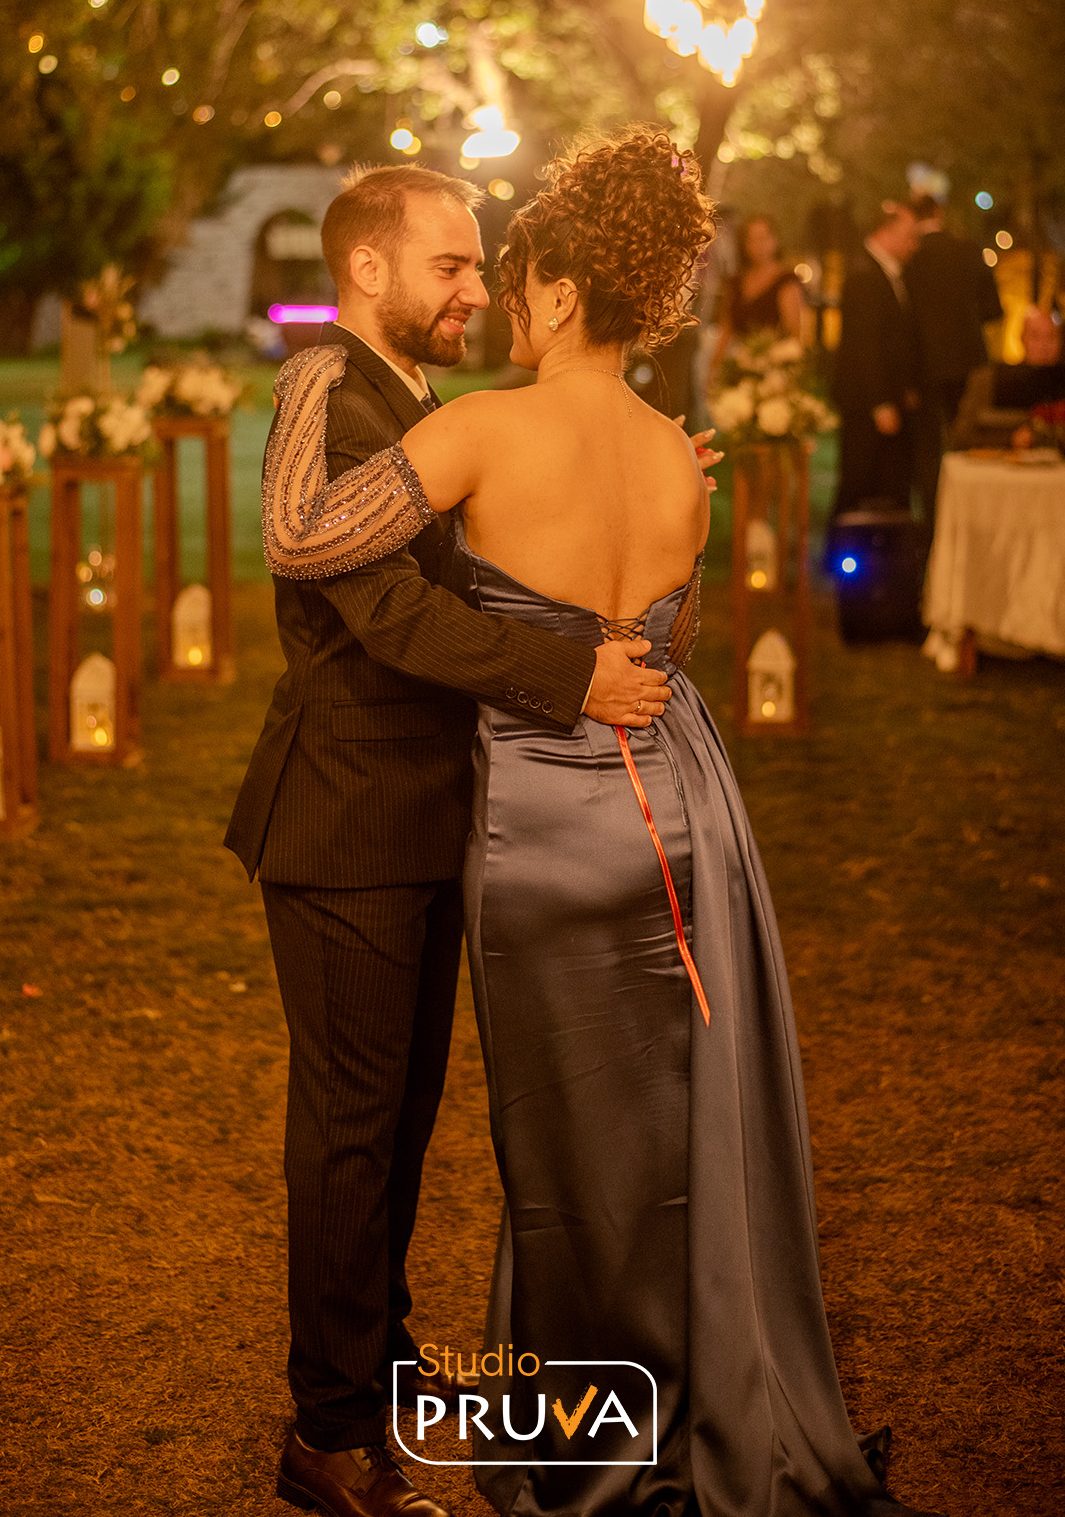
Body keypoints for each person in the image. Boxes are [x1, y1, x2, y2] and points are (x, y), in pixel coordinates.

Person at [266, 128, 943, 1517]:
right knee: (674, 1118)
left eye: (508, 277)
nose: (494, 300)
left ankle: (587, 1433)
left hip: (544, 821)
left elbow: (313, 536)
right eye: (465, 270)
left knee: (559, 1146)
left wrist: (310, 403)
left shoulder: (480, 427)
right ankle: (689, 1397)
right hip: (678, 801)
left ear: (565, 292)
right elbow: (664, 641)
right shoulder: (676, 457)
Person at [225, 163, 670, 1517]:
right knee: (353, 1132)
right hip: (346, 817)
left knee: (402, 1120)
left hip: (429, 810)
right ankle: (330, 1434)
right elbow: (391, 613)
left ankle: (375, 1359)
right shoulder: (329, 388)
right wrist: (569, 679)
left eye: (481, 266)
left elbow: (470, 567)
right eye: (454, 264)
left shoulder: (419, 402)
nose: (479, 286)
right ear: (368, 269)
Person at [904, 193, 1002, 515]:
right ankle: (972, 513)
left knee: (929, 450)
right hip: (969, 362)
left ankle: (934, 519)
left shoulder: (911, 257)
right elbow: (993, 309)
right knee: (970, 440)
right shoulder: (969, 250)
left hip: (925, 365)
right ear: (940, 212)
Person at [832, 201, 921, 517]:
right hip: (866, 401)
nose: (914, 244)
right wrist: (880, 401)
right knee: (859, 480)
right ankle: (844, 542)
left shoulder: (887, 273)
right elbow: (864, 343)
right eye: (909, 236)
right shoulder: (864, 274)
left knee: (880, 482)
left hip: (883, 397)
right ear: (886, 232)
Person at [951, 304, 1065, 448]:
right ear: (1022, 338)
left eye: (1051, 337)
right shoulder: (990, 379)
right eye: (1035, 336)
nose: (1044, 346)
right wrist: (1009, 439)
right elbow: (961, 436)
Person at [711, 211, 806, 367]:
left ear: (774, 240)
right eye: (751, 240)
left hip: (774, 366)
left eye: (762, 238)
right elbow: (726, 329)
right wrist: (715, 366)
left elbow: (794, 333)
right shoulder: (736, 282)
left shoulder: (785, 281)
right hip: (741, 363)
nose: (758, 246)